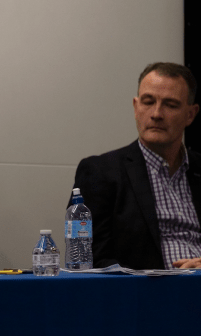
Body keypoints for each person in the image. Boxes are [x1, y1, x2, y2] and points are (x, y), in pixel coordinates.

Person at [71, 62, 201, 270]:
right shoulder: (100, 172)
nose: (157, 113)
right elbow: (89, 259)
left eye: (170, 105)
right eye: (148, 102)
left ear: (190, 114)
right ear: (136, 107)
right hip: (143, 294)